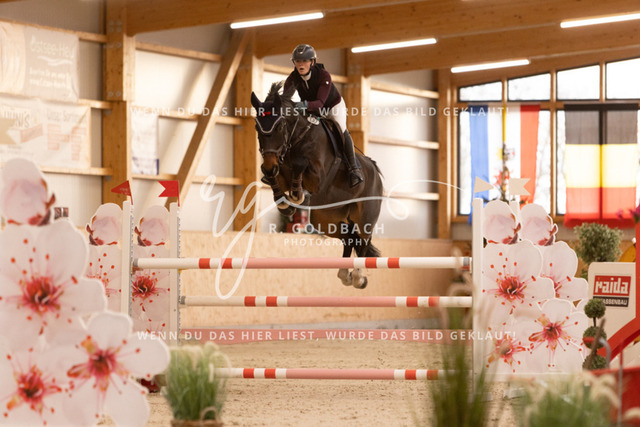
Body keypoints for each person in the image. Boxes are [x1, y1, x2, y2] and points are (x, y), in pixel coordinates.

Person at [283, 44, 364, 187]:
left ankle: (354, 169)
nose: (300, 64)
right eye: (297, 61)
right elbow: (285, 99)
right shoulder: (293, 78)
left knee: (341, 128)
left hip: (332, 106)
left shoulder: (323, 75)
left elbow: (320, 103)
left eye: (304, 61)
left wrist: (303, 105)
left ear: (312, 62)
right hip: (312, 108)